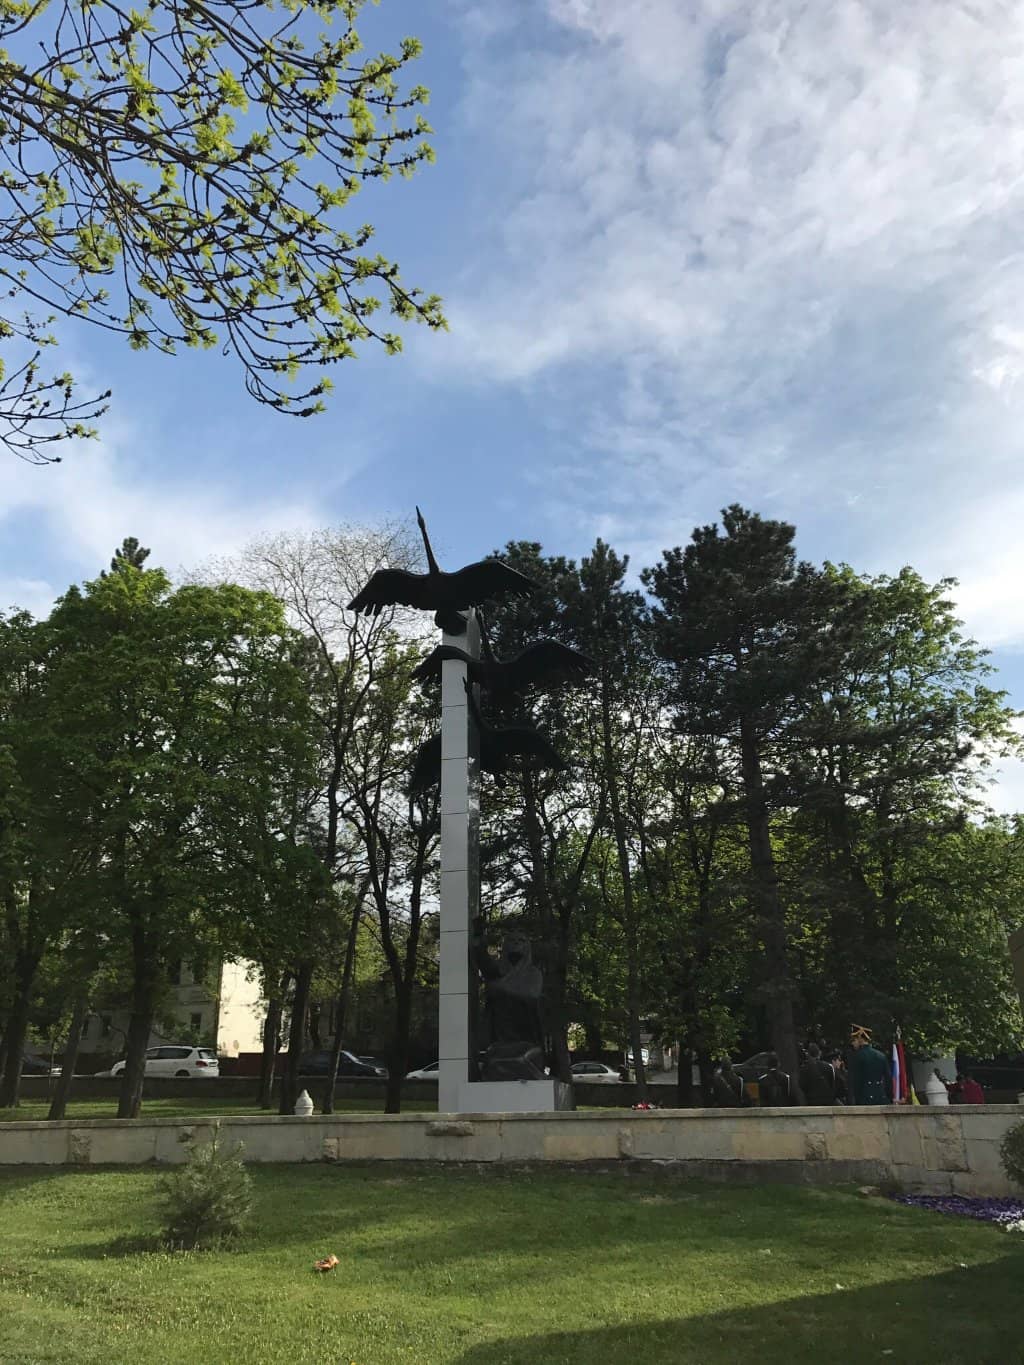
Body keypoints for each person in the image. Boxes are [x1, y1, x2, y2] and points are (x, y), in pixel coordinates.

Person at [848, 1025, 891, 1104]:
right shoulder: (881, 1055)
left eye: (854, 1040)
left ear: (860, 1039)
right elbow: (888, 1079)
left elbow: (855, 1081)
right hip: (881, 1097)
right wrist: (889, 1096)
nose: (852, 1043)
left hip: (863, 1099)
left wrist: (853, 1100)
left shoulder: (856, 1056)